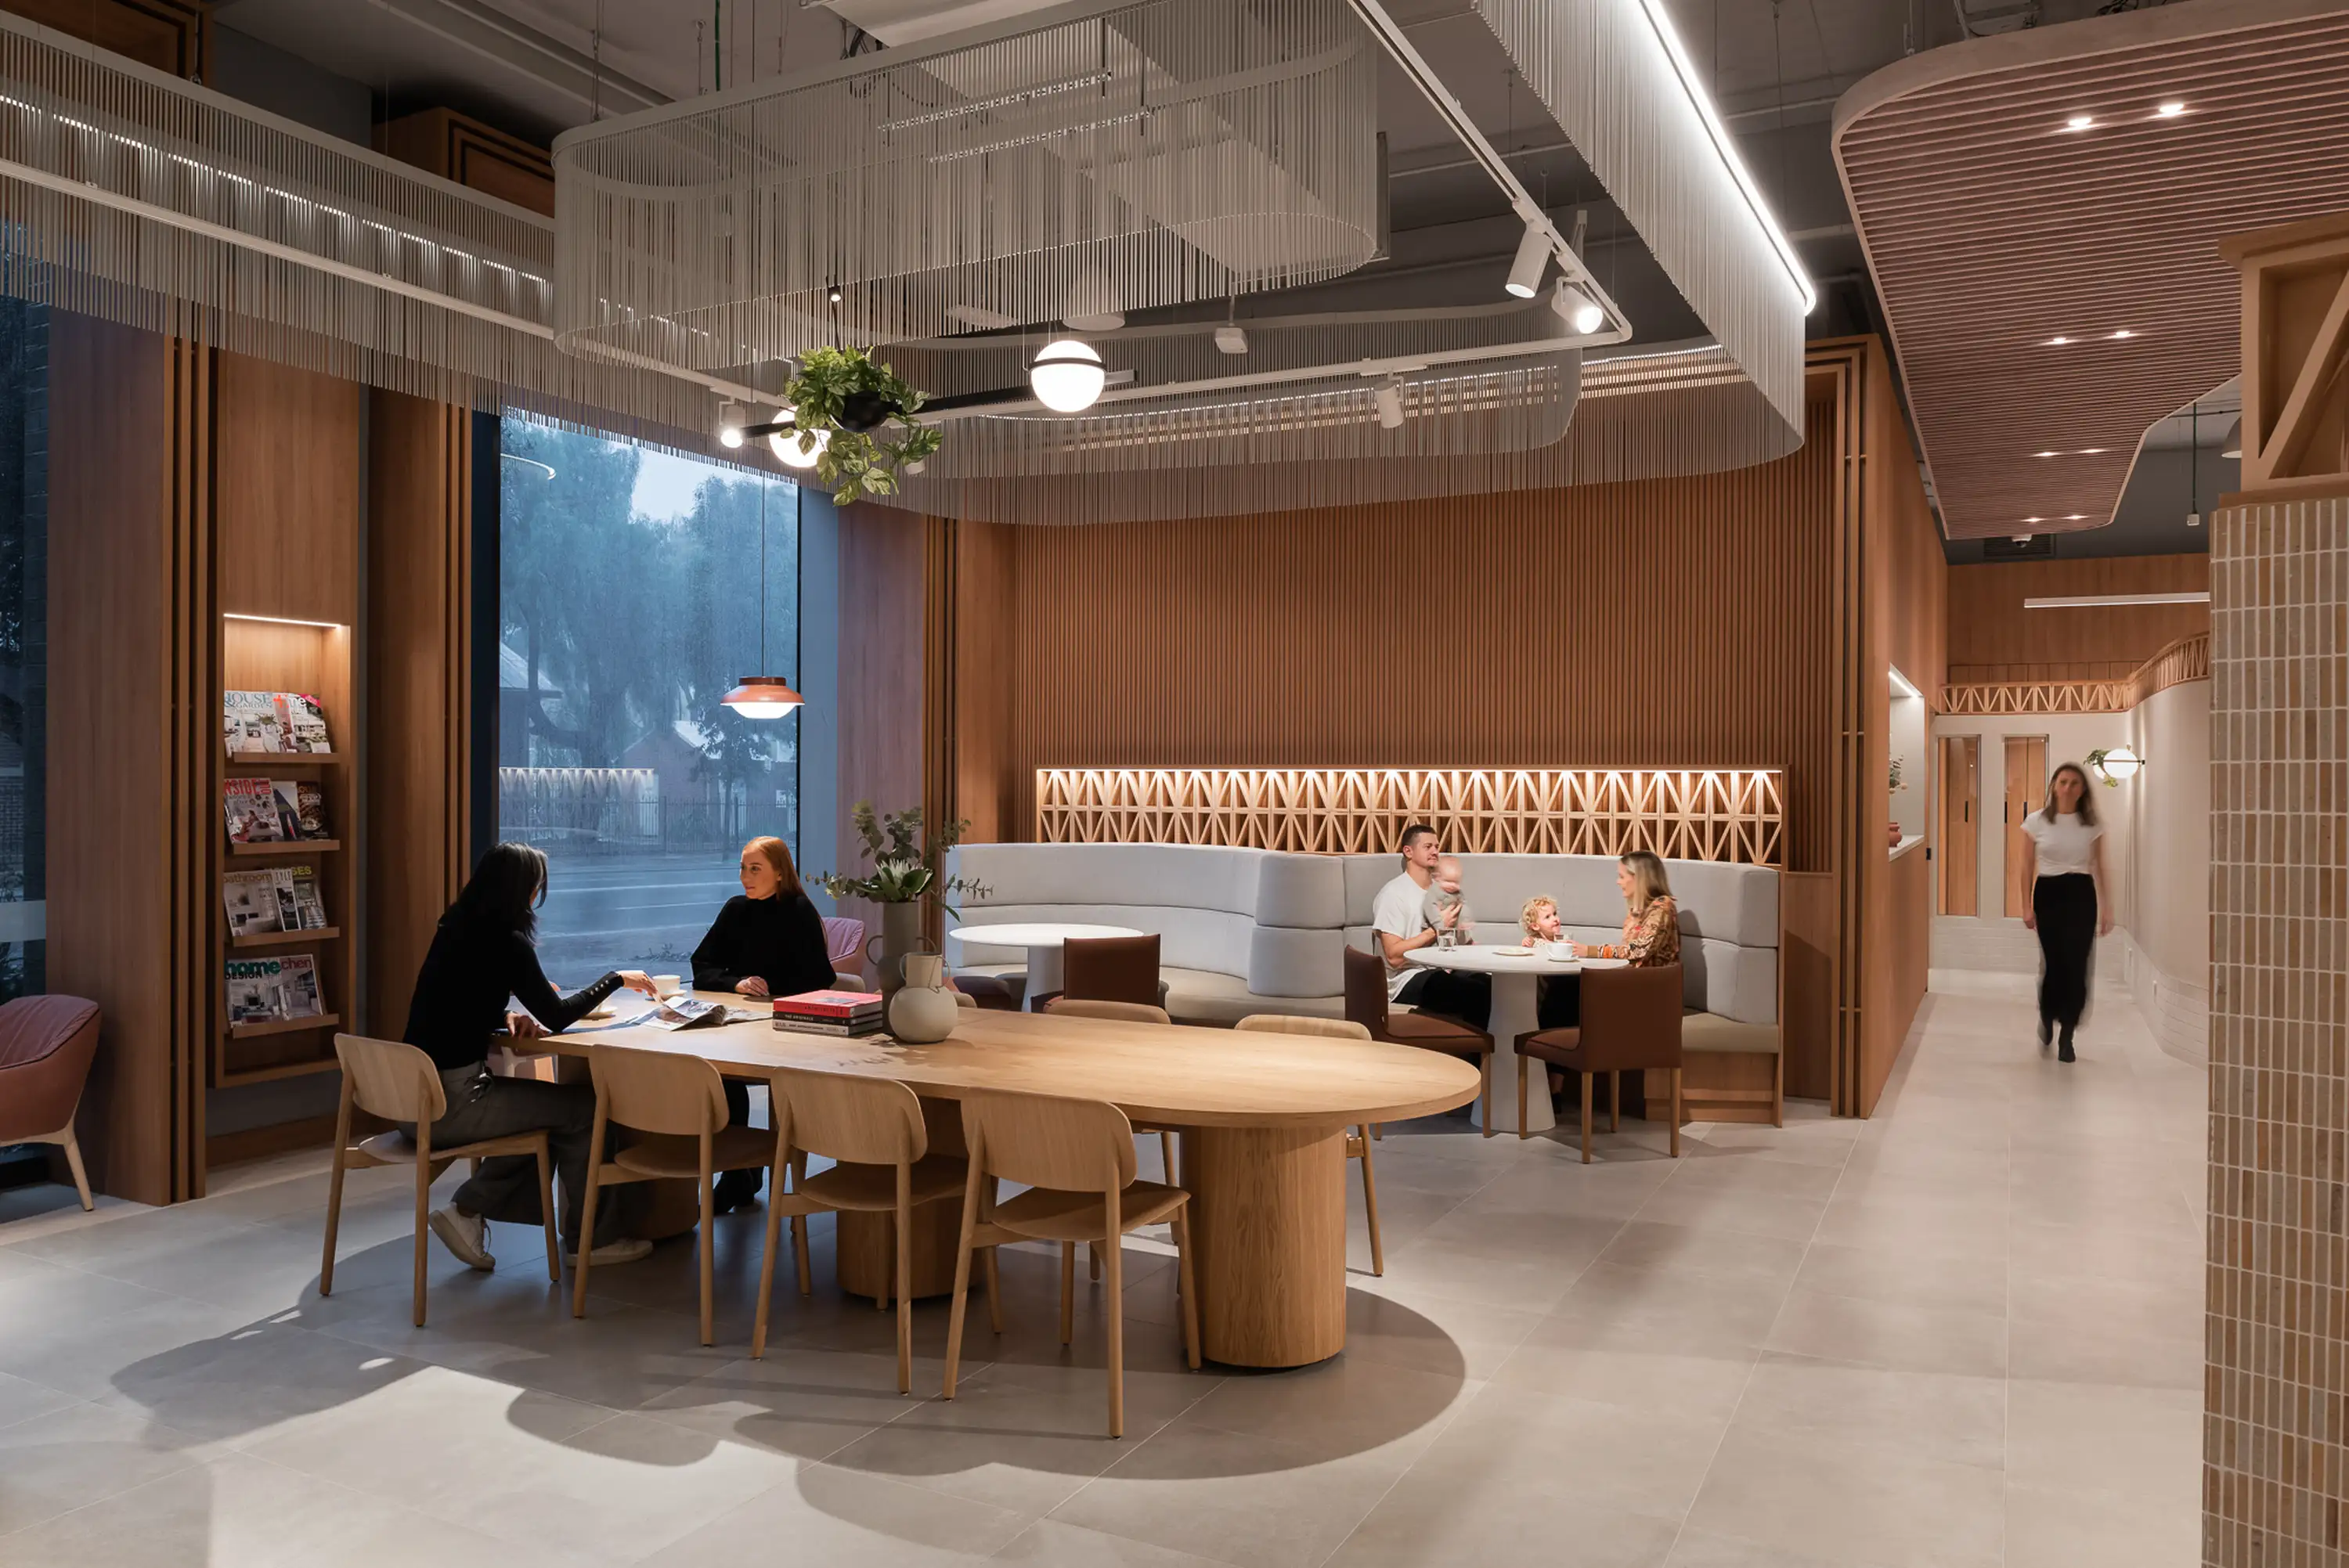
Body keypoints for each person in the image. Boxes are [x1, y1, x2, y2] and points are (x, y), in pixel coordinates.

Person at [402, 842, 661, 1272]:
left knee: (547, 1114)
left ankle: (469, 1209)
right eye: (537, 887)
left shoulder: (452, 930)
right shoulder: (508, 942)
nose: (537, 895)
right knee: (587, 1111)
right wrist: (616, 978)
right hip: (453, 1103)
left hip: (407, 1102)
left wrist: (503, 1015)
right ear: (522, 889)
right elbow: (556, 1016)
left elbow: (453, 1002)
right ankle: (591, 1241)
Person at [691, 835, 837, 1209]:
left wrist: (773, 990)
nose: (745, 877)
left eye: (755, 869)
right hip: (741, 1024)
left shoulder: (799, 911)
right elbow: (701, 967)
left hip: (787, 1028)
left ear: (780, 872)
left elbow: (820, 980)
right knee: (715, 1073)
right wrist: (735, 983)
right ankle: (739, 1170)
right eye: (743, 868)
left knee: (729, 1074)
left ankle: (743, 1172)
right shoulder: (735, 909)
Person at [2020, 762, 2111, 1063]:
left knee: (2078, 964)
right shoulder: (2036, 822)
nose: (2068, 788)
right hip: (2048, 893)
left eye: (2074, 783)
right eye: (2062, 782)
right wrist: (2025, 906)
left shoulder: (2091, 824)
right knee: (2054, 962)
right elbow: (2026, 867)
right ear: (2054, 786)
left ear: (2082, 790)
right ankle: (2047, 1016)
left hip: (2081, 894)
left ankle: (2067, 1035)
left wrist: (2108, 908)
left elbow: (2100, 867)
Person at [1372, 824, 1489, 1029]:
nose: (1435, 851)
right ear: (1408, 851)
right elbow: (1394, 956)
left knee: (1490, 985)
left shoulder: (1441, 892)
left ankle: (1488, 1049)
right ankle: (1472, 1049)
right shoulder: (1394, 894)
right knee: (1474, 993)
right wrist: (1436, 930)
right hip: (1405, 979)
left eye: (1436, 846)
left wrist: (1464, 935)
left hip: (1440, 969)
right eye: (1428, 847)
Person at [1571, 851, 1682, 967]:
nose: (1618, 882)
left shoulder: (1662, 907)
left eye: (1622, 877)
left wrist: (1590, 951)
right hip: (1631, 974)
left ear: (1639, 879)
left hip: (1652, 976)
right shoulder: (1637, 909)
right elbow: (1627, 950)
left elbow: (1639, 951)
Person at [1424, 856, 1472, 940]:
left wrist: (1465, 920)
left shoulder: (1458, 893)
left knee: (1463, 937)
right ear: (1437, 878)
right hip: (1435, 928)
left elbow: (1464, 905)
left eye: (1456, 882)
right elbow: (1430, 907)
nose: (1452, 885)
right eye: (1448, 881)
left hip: (1454, 928)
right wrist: (1440, 924)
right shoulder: (1434, 891)